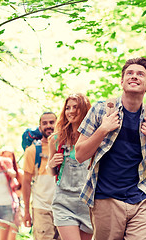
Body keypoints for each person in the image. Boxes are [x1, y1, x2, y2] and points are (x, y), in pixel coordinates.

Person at [75, 57, 146, 239]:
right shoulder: (101, 110)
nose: (134, 77)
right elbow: (79, 155)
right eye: (130, 73)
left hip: (140, 198)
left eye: (140, 74)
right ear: (122, 80)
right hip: (106, 199)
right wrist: (103, 130)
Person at [47, 93, 93, 240]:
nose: (71, 111)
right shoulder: (56, 139)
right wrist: (52, 163)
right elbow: (50, 171)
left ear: (85, 110)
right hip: (64, 201)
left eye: (76, 107)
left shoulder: (94, 138)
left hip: (88, 202)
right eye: (68, 108)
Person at [22, 112, 60, 239]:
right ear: (40, 128)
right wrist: (26, 212)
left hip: (63, 208)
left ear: (58, 124)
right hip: (41, 208)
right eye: (44, 123)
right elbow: (26, 182)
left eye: (51, 122)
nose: (48, 126)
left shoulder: (64, 147)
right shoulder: (32, 151)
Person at [1, 147, 24, 236]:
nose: (7, 158)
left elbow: (22, 191)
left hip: (15, 208)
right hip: (0, 207)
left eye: (9, 156)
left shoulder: (19, 173)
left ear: (13, 158)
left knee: (12, 235)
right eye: (4, 156)